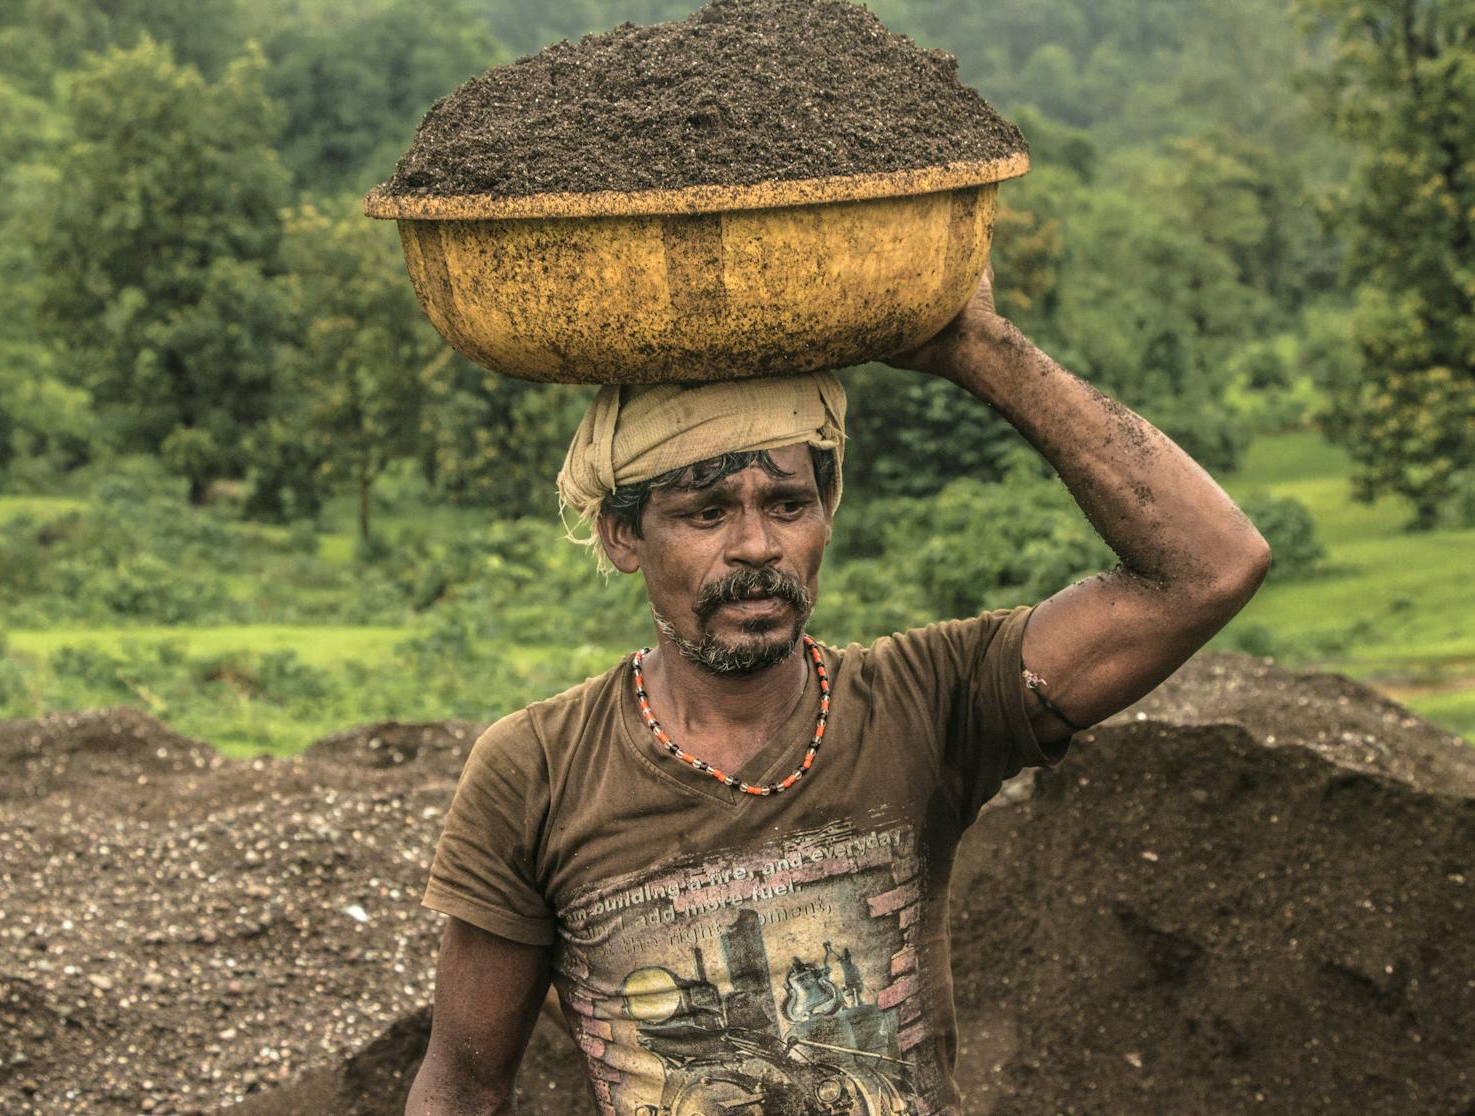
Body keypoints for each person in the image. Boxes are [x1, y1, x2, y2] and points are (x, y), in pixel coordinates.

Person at [403, 267, 1271, 1116]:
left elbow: (1208, 568)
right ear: (625, 534)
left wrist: (979, 348)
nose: (755, 547)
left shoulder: (926, 704)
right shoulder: (537, 770)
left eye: (786, 504)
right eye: (706, 514)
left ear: (827, 512)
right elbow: (464, 1086)